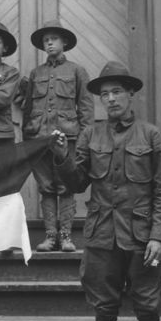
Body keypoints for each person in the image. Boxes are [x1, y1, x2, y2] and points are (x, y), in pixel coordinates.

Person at [53, 61, 161, 321]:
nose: (111, 98)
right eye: (105, 94)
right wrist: (61, 155)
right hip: (102, 236)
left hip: (140, 239)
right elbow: (76, 182)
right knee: (104, 310)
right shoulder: (91, 135)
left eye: (117, 91)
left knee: (148, 309)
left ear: (131, 94)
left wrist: (159, 237)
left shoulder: (151, 135)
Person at [17, 20, 93, 252]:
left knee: (65, 186)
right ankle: (50, 237)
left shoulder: (77, 71)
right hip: (39, 139)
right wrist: (28, 138)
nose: (49, 43)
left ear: (65, 43)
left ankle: (66, 237)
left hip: (67, 139)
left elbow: (86, 108)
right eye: (46, 40)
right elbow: (28, 108)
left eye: (54, 39)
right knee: (47, 187)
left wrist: (83, 141)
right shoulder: (36, 73)